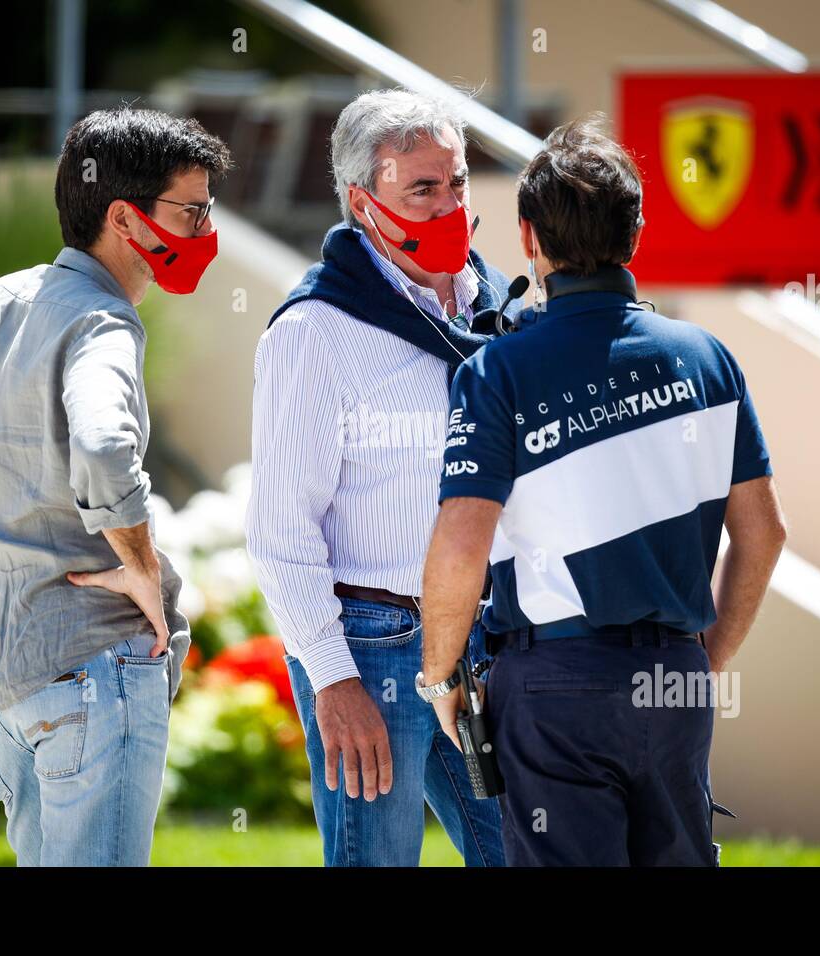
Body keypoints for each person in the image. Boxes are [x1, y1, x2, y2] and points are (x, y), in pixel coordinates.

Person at [0, 107, 232, 866]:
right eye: (193, 212)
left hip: (3, 685)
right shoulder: (103, 322)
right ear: (127, 219)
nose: (206, 231)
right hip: (92, 675)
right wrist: (139, 566)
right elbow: (103, 445)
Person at [420, 115, 788, 866]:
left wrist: (437, 677)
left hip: (554, 686)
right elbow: (764, 534)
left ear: (528, 238)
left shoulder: (499, 372)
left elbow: (462, 544)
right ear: (637, 232)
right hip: (675, 679)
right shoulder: (706, 357)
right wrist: (701, 660)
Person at [245, 89, 520, 866]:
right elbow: (279, 534)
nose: (449, 206)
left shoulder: (497, 311)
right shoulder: (314, 332)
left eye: (458, 182)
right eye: (423, 190)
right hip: (373, 647)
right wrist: (332, 680)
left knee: (525, 855)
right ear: (363, 203)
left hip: (487, 639)